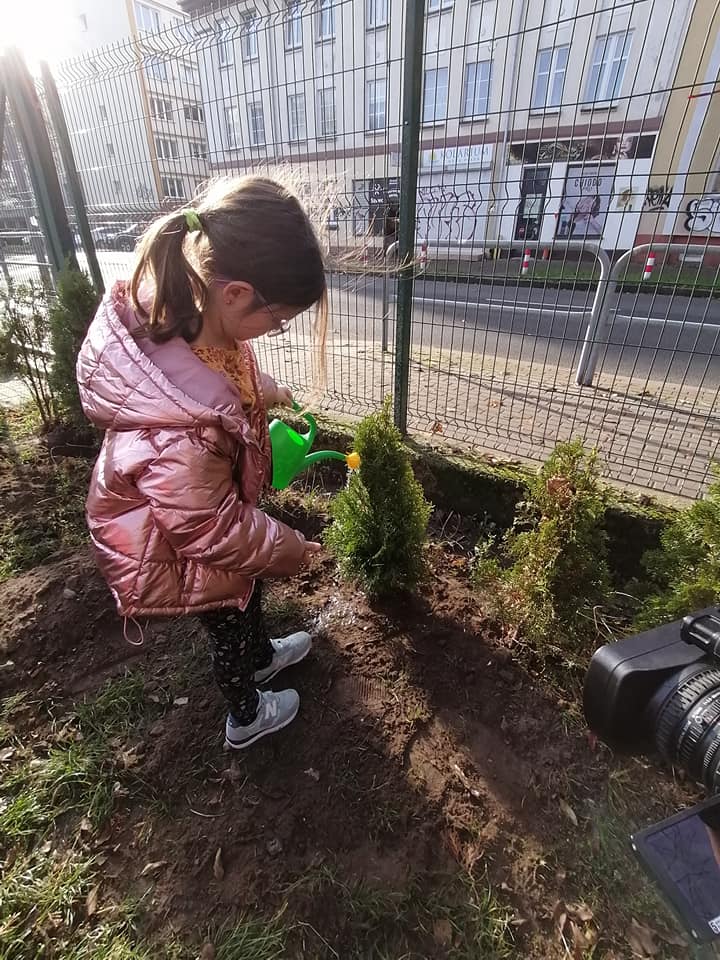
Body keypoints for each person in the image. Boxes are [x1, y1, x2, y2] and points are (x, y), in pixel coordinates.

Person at [77, 176, 327, 750]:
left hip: (215, 511)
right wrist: (287, 546)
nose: (276, 329)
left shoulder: (196, 319)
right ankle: (245, 714)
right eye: (279, 318)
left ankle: (262, 658)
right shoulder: (178, 433)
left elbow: (222, 378)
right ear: (237, 293)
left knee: (247, 591)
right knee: (228, 619)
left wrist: (263, 388)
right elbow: (208, 529)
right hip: (184, 544)